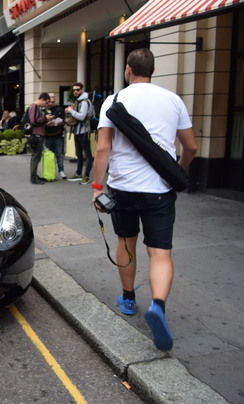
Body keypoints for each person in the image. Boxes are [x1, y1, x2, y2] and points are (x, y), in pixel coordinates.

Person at [92, 48, 198, 351]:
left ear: (128, 70)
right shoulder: (173, 100)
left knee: (126, 242)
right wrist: (176, 171)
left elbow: (103, 149)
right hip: (160, 190)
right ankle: (158, 306)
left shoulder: (114, 101)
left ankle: (127, 299)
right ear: (153, 70)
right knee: (160, 252)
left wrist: (98, 187)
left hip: (123, 188)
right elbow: (190, 146)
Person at [65, 82, 93, 184]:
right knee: (79, 154)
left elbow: (81, 116)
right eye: (74, 90)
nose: (75, 91)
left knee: (87, 154)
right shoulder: (79, 101)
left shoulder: (84, 102)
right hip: (78, 131)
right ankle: (78, 173)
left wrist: (71, 111)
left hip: (84, 131)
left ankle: (86, 176)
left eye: (77, 89)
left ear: (82, 90)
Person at [27, 93, 54, 185]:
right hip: (37, 135)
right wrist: (45, 119)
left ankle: (34, 175)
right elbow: (34, 121)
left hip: (37, 134)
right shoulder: (34, 107)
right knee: (36, 156)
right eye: (46, 103)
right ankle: (33, 177)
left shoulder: (34, 107)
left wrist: (46, 122)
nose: (45, 105)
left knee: (36, 156)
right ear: (42, 99)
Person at [45, 93, 66, 179]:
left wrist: (62, 122)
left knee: (59, 154)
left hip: (58, 135)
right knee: (48, 155)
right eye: (49, 101)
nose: (51, 104)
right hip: (47, 136)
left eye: (52, 102)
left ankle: (61, 170)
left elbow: (65, 119)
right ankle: (49, 172)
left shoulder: (59, 109)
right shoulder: (43, 110)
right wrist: (47, 124)